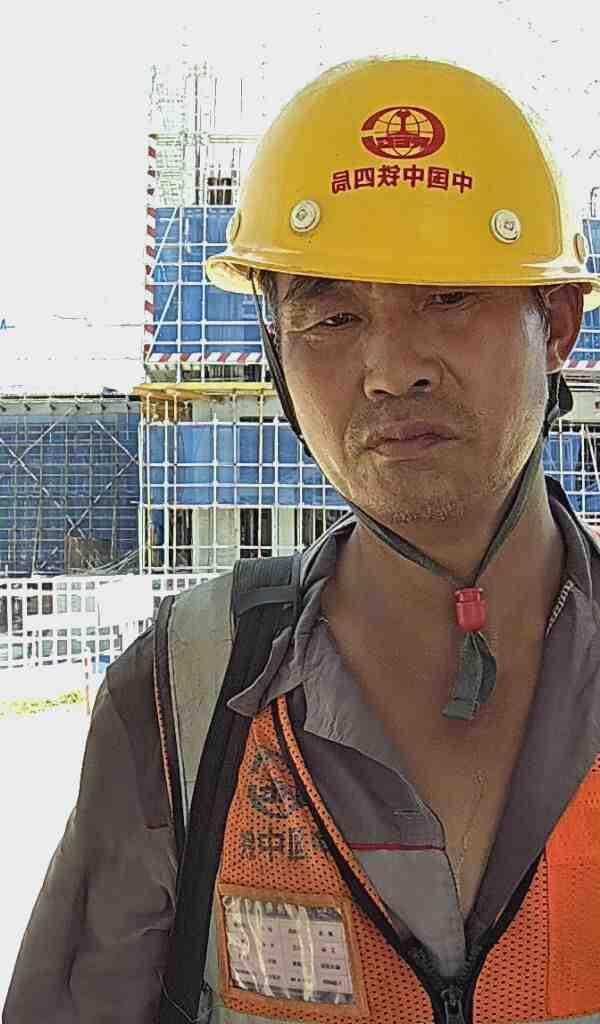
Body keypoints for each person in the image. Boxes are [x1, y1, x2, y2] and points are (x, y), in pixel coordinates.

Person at [5, 57, 600, 1024]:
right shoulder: (181, 695)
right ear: (278, 354)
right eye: (332, 316)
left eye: (449, 297)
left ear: (558, 323)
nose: (392, 368)